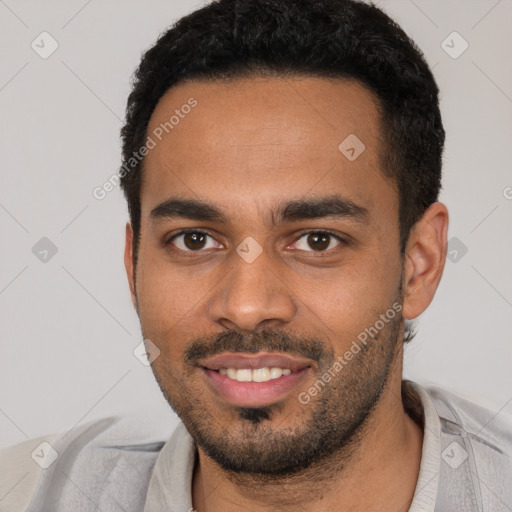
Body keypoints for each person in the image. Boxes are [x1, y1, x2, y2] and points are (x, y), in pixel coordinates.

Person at [1, 0, 510, 510]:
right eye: (194, 240)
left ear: (418, 264)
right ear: (134, 266)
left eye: (317, 241)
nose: (245, 306)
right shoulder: (29, 493)